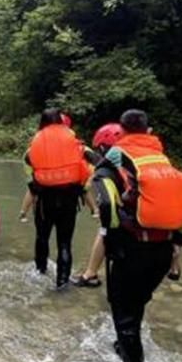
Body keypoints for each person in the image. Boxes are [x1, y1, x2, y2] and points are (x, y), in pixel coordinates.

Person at [92, 109, 182, 362]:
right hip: (162, 252)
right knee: (136, 301)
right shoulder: (161, 159)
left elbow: (106, 202)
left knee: (121, 308)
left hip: (132, 248)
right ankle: (127, 349)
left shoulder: (116, 155)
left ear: (122, 132)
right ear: (149, 131)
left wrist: (112, 239)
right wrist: (177, 247)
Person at [26, 108, 90, 288]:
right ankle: (62, 283)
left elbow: (29, 162)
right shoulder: (73, 139)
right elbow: (87, 162)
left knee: (42, 236)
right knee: (64, 243)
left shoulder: (37, 140)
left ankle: (40, 272)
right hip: (69, 197)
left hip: (45, 198)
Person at [71, 122, 124, 288]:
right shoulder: (138, 159)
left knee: (103, 231)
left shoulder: (106, 169)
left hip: (122, 216)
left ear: (102, 146)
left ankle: (90, 274)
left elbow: (107, 202)